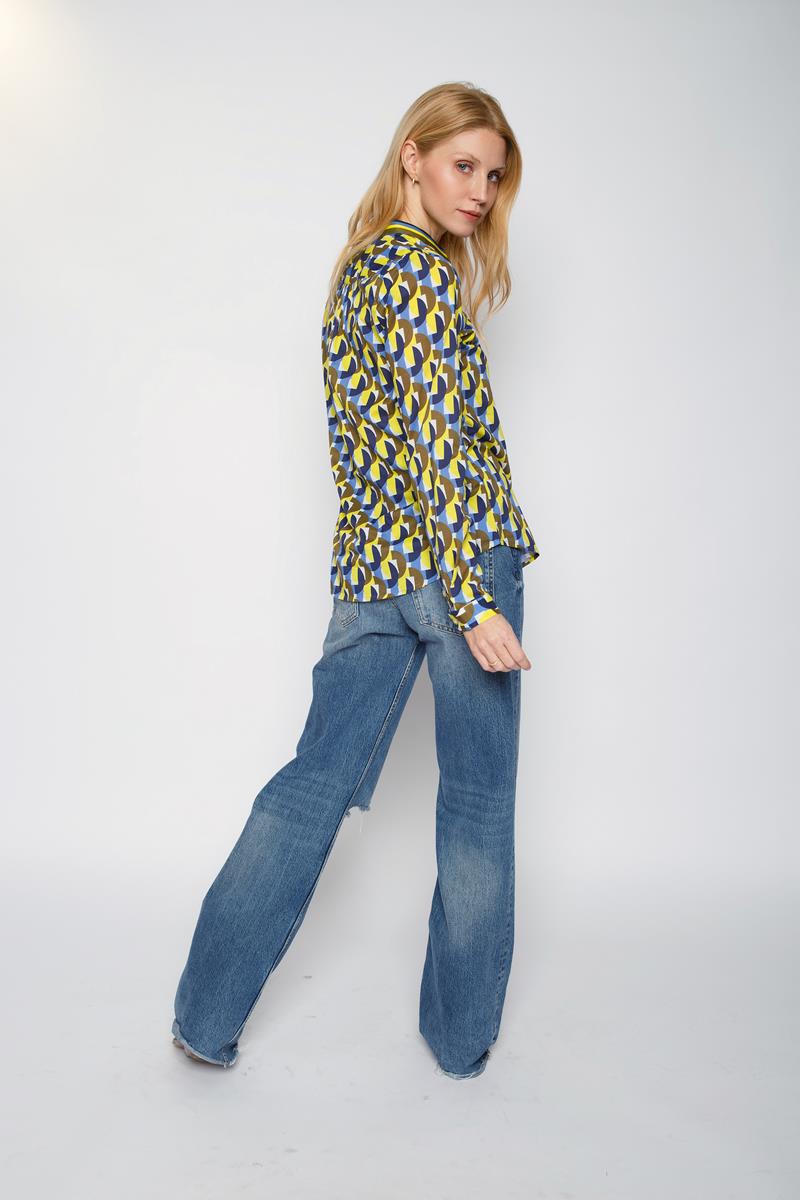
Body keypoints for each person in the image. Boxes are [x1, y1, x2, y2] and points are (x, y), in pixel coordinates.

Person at [171, 81, 541, 1081]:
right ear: (412, 155)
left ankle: (204, 1015)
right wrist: (473, 599)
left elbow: (368, 453)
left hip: (373, 566)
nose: (480, 191)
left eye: (493, 175)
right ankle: (459, 1041)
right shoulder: (417, 272)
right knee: (476, 805)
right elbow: (437, 446)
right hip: (458, 560)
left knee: (311, 784)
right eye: (463, 165)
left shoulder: (356, 272)